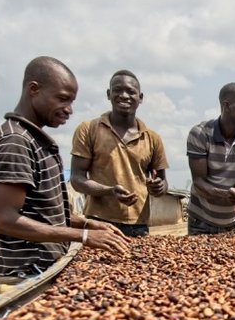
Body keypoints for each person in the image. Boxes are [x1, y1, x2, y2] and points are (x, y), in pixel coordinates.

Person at [0, 57, 129, 286]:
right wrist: (82, 237)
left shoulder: (35, 140)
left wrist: (87, 224)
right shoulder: (15, 141)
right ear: (34, 90)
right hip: (24, 276)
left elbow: (42, 212)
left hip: (42, 270)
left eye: (71, 101)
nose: (69, 110)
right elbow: (5, 219)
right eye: (62, 99)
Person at [69, 70, 169, 237]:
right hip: (99, 220)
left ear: (140, 97)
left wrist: (158, 186)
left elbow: (163, 183)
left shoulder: (152, 138)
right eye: (117, 90)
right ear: (109, 94)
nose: (124, 96)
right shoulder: (88, 130)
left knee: (140, 263)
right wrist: (110, 190)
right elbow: (77, 179)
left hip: (139, 224)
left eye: (131, 92)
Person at [186, 83, 235, 235]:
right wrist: (226, 195)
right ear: (227, 106)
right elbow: (199, 182)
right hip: (201, 222)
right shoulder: (200, 134)